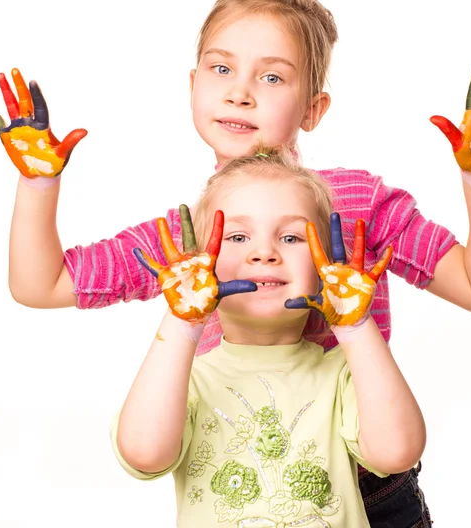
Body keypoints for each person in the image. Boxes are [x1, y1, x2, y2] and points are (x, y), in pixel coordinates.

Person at [0, 0, 471, 527]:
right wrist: (38, 187)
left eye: (273, 76)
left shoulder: (356, 201)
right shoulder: (184, 237)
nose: (240, 91)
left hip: (370, 484)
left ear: (314, 107)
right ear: (192, 85)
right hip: (239, 484)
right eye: (222, 68)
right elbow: (42, 285)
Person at [111, 147, 426, 528]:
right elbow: (144, 454)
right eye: (238, 236)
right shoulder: (185, 380)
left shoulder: (345, 373)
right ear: (200, 261)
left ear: (325, 263)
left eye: (292, 238)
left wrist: (356, 327)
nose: (264, 252)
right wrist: (181, 322)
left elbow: (397, 453)